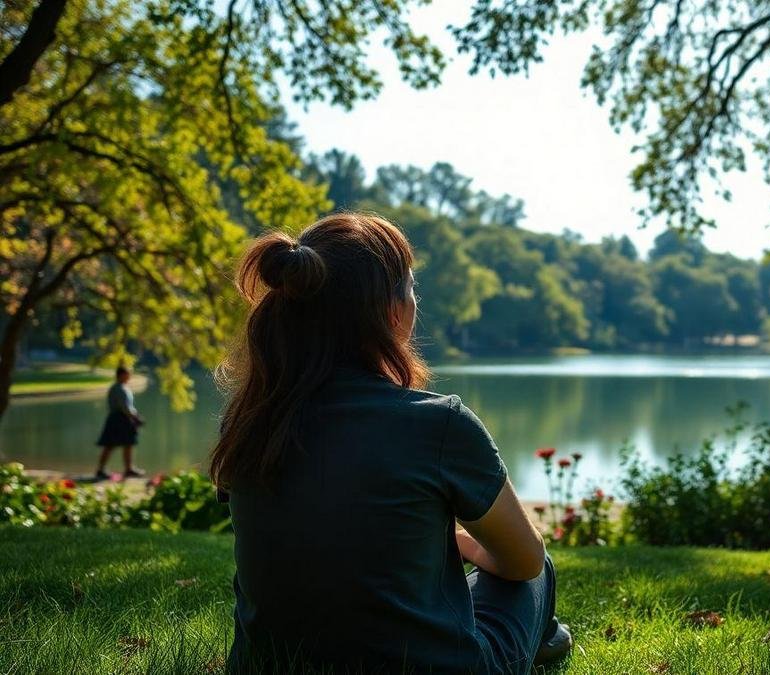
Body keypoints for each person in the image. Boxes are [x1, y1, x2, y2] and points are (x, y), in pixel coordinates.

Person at [210, 213, 570, 673]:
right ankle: (546, 641)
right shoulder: (439, 424)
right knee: (539, 569)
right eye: (411, 288)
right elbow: (523, 561)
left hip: (270, 667)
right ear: (392, 311)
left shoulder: (249, 422)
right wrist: (467, 547)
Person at [95, 365, 145, 480]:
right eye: (128, 374)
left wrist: (135, 416)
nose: (130, 376)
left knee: (128, 444)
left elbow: (128, 406)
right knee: (110, 445)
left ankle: (128, 469)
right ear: (121, 375)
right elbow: (125, 407)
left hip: (123, 418)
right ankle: (101, 470)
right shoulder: (119, 389)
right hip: (119, 419)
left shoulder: (122, 387)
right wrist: (135, 418)